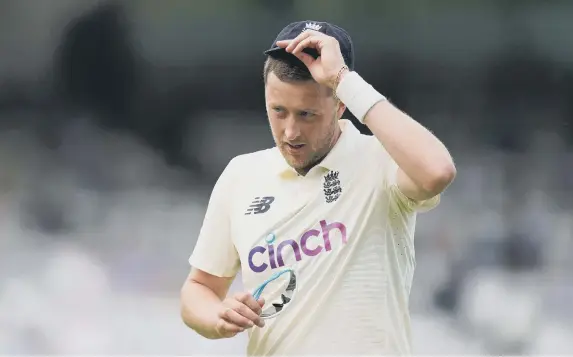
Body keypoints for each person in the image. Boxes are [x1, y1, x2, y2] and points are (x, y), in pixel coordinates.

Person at [180, 20, 456, 356]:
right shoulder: (241, 175)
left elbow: (437, 172)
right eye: (278, 111)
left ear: (341, 105)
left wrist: (344, 80)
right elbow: (199, 288)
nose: (291, 132)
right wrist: (217, 316)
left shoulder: (381, 160)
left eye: (307, 115)